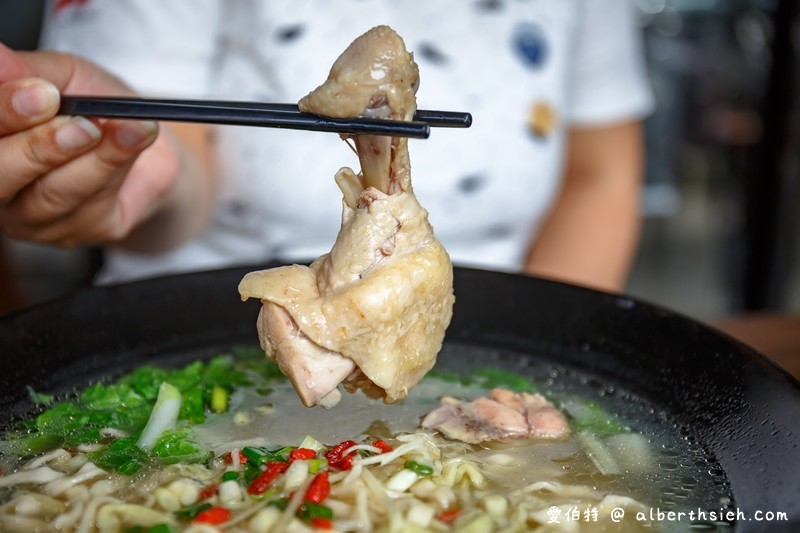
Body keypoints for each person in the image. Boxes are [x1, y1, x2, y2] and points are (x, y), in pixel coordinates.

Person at [0, 0, 652, 292]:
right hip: (188, 324)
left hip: (488, 333)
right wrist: (136, 167)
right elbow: (174, 165)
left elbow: (600, 176)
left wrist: (538, 368)